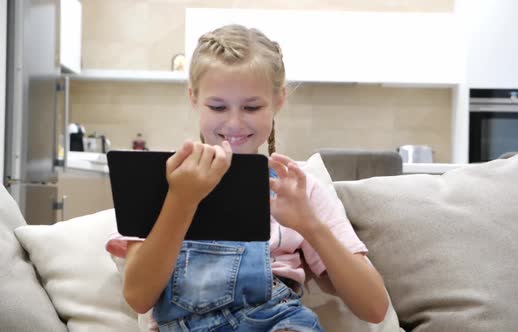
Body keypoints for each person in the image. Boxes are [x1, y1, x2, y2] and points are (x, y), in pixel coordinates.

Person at [106, 24, 389, 332]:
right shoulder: (160, 182)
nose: (234, 122)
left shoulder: (296, 188)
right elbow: (138, 296)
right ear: (193, 97)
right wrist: (181, 200)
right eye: (217, 106)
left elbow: (374, 307)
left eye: (252, 106)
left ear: (279, 100)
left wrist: (310, 225)